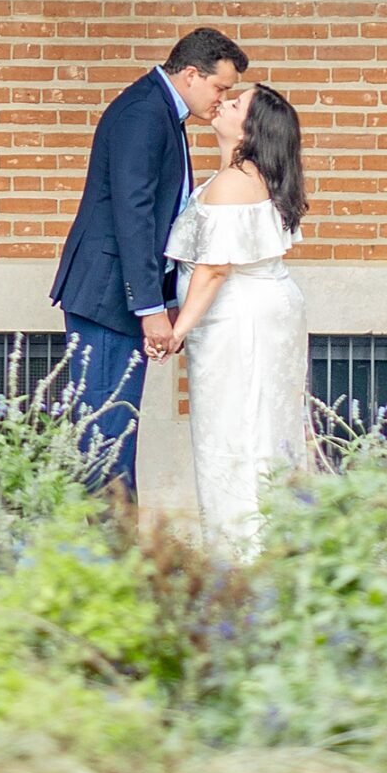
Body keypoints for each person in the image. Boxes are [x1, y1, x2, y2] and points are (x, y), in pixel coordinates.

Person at [50, 27, 247, 500]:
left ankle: (111, 542)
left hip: (119, 293)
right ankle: (105, 546)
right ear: (192, 74)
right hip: (108, 297)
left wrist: (163, 298)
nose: (221, 100)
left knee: (114, 433)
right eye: (220, 87)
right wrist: (150, 307)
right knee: (105, 437)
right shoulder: (144, 112)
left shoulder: (161, 110)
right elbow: (132, 214)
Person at [165, 80, 309, 557]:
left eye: (236, 103)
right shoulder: (243, 176)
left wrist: (176, 331)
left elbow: (214, 268)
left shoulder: (234, 183)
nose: (223, 103)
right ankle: (259, 549)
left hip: (240, 324)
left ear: (251, 130)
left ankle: (243, 556)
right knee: (253, 427)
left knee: (238, 430)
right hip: (249, 316)